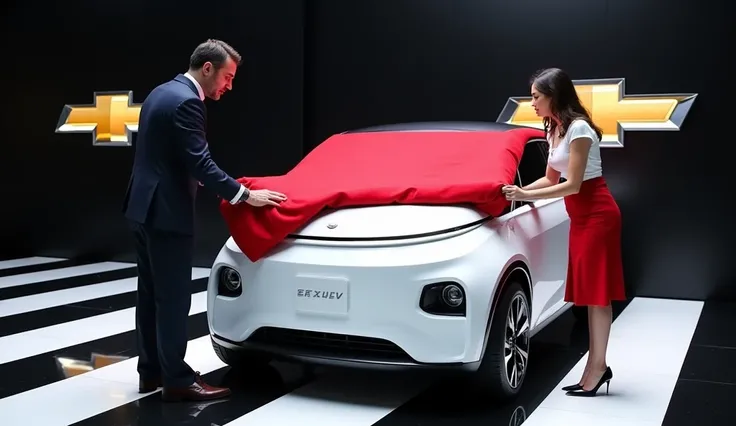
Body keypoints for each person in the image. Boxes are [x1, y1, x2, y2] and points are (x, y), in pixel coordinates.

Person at [122, 39, 287, 402]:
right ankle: (178, 380)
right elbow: (200, 163)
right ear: (208, 68)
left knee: (150, 295)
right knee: (174, 299)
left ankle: (151, 372)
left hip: (142, 208)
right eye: (227, 77)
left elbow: (169, 156)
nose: (229, 86)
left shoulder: (161, 92)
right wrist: (245, 195)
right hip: (166, 213)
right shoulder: (187, 102)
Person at [501, 67, 626, 397]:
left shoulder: (580, 128)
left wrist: (524, 195)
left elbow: (572, 185)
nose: (532, 103)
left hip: (598, 215)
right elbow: (550, 180)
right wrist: (518, 191)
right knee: (590, 297)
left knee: (598, 296)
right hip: (581, 217)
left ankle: (597, 367)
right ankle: (595, 367)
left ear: (554, 96)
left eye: (536, 97)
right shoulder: (554, 130)